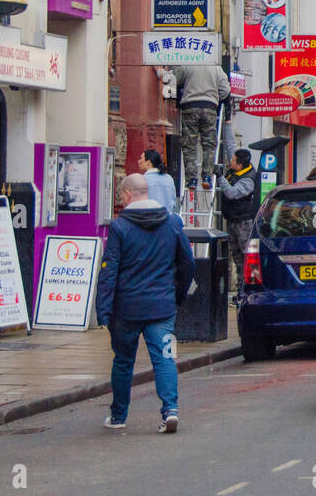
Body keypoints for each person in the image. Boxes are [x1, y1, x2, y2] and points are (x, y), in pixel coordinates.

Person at [96, 173, 195, 433]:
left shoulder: (119, 227)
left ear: (128, 194)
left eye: (121, 195)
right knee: (165, 358)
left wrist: (103, 309)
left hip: (126, 308)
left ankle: (118, 417)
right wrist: (178, 295)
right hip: (162, 307)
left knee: (123, 361)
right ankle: (170, 410)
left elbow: (109, 271)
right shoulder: (172, 222)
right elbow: (188, 263)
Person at [173, 64, 231, 189]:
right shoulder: (217, 68)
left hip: (190, 107)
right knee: (209, 145)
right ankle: (207, 177)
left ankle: (192, 179)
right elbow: (226, 90)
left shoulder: (188, 63)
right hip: (210, 107)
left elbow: (175, 79)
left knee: (189, 145)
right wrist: (215, 98)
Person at [215, 149, 259, 298]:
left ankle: (253, 289)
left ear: (240, 165)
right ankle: (241, 289)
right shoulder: (236, 170)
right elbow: (230, 146)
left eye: (233, 160)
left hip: (243, 222)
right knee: (237, 257)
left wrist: (220, 177)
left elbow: (232, 193)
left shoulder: (248, 180)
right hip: (232, 219)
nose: (230, 162)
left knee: (249, 256)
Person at [138, 149, 177, 213]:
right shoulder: (169, 178)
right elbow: (173, 202)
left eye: (141, 158)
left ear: (148, 162)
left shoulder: (143, 179)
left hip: (149, 217)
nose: (139, 161)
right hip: (167, 216)